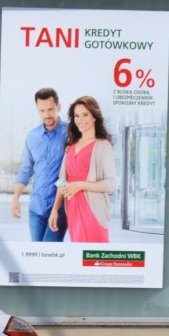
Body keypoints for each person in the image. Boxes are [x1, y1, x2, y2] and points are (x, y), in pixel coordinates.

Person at [49, 96, 116, 244]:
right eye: (76, 116)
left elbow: (111, 184)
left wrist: (79, 185)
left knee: (93, 258)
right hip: (72, 209)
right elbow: (62, 181)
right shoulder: (70, 146)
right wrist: (55, 209)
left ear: (94, 117)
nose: (80, 119)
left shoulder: (103, 145)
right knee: (78, 256)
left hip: (93, 209)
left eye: (85, 114)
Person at [10, 87, 68, 242]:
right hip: (36, 208)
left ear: (58, 107)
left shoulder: (70, 133)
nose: (46, 115)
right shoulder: (32, 136)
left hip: (60, 208)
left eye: (50, 109)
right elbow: (26, 170)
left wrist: (57, 207)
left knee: (49, 254)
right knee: (36, 255)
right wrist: (15, 199)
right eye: (42, 111)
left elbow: (69, 173)